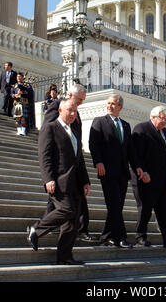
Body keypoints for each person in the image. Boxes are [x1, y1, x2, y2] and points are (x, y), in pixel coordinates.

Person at [27, 99, 90, 265]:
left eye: (75, 112)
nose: (72, 114)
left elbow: (80, 158)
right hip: (59, 181)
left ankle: (65, 257)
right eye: (69, 110)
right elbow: (44, 156)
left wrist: (85, 181)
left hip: (75, 182)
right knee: (67, 210)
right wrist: (48, 179)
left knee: (73, 221)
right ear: (60, 110)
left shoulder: (74, 130)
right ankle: (36, 229)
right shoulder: (50, 127)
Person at [89, 94, 143, 249]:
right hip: (106, 170)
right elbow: (93, 144)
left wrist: (137, 166)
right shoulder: (99, 121)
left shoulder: (126, 125)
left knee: (117, 206)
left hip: (122, 172)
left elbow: (130, 150)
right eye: (108, 103)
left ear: (120, 107)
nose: (110, 106)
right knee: (113, 204)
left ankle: (107, 236)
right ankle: (121, 237)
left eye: (113, 104)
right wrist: (98, 162)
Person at [41, 84, 93, 242]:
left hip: (74, 165)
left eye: (82, 101)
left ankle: (75, 230)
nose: (80, 104)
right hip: (61, 167)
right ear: (69, 94)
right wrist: (49, 176)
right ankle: (40, 228)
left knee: (68, 203)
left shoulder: (75, 113)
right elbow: (48, 132)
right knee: (66, 205)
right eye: (79, 100)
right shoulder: (58, 106)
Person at [131, 106, 166, 251]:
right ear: (153, 117)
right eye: (163, 119)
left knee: (165, 212)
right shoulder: (141, 129)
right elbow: (135, 154)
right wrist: (143, 171)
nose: (165, 122)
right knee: (145, 209)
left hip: (163, 180)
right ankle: (140, 237)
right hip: (146, 179)